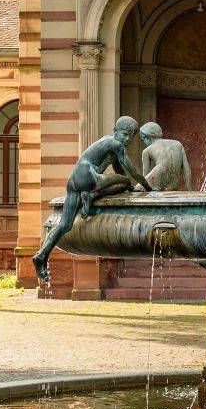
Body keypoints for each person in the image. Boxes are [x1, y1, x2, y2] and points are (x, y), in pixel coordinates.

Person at [31, 116, 152, 284]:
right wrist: (148, 187)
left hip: (73, 180)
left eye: (129, 136)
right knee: (125, 182)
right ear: (115, 131)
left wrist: (127, 187)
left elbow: (118, 167)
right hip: (88, 177)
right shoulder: (116, 145)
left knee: (65, 225)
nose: (126, 139)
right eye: (124, 134)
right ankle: (92, 195)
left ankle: (41, 256)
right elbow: (132, 172)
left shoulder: (107, 141)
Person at [139, 120, 191, 193]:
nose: (144, 142)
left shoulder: (146, 151)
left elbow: (145, 179)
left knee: (139, 186)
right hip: (173, 186)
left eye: (143, 139)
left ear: (147, 137)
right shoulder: (178, 144)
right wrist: (189, 191)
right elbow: (187, 170)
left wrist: (143, 192)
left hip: (157, 185)